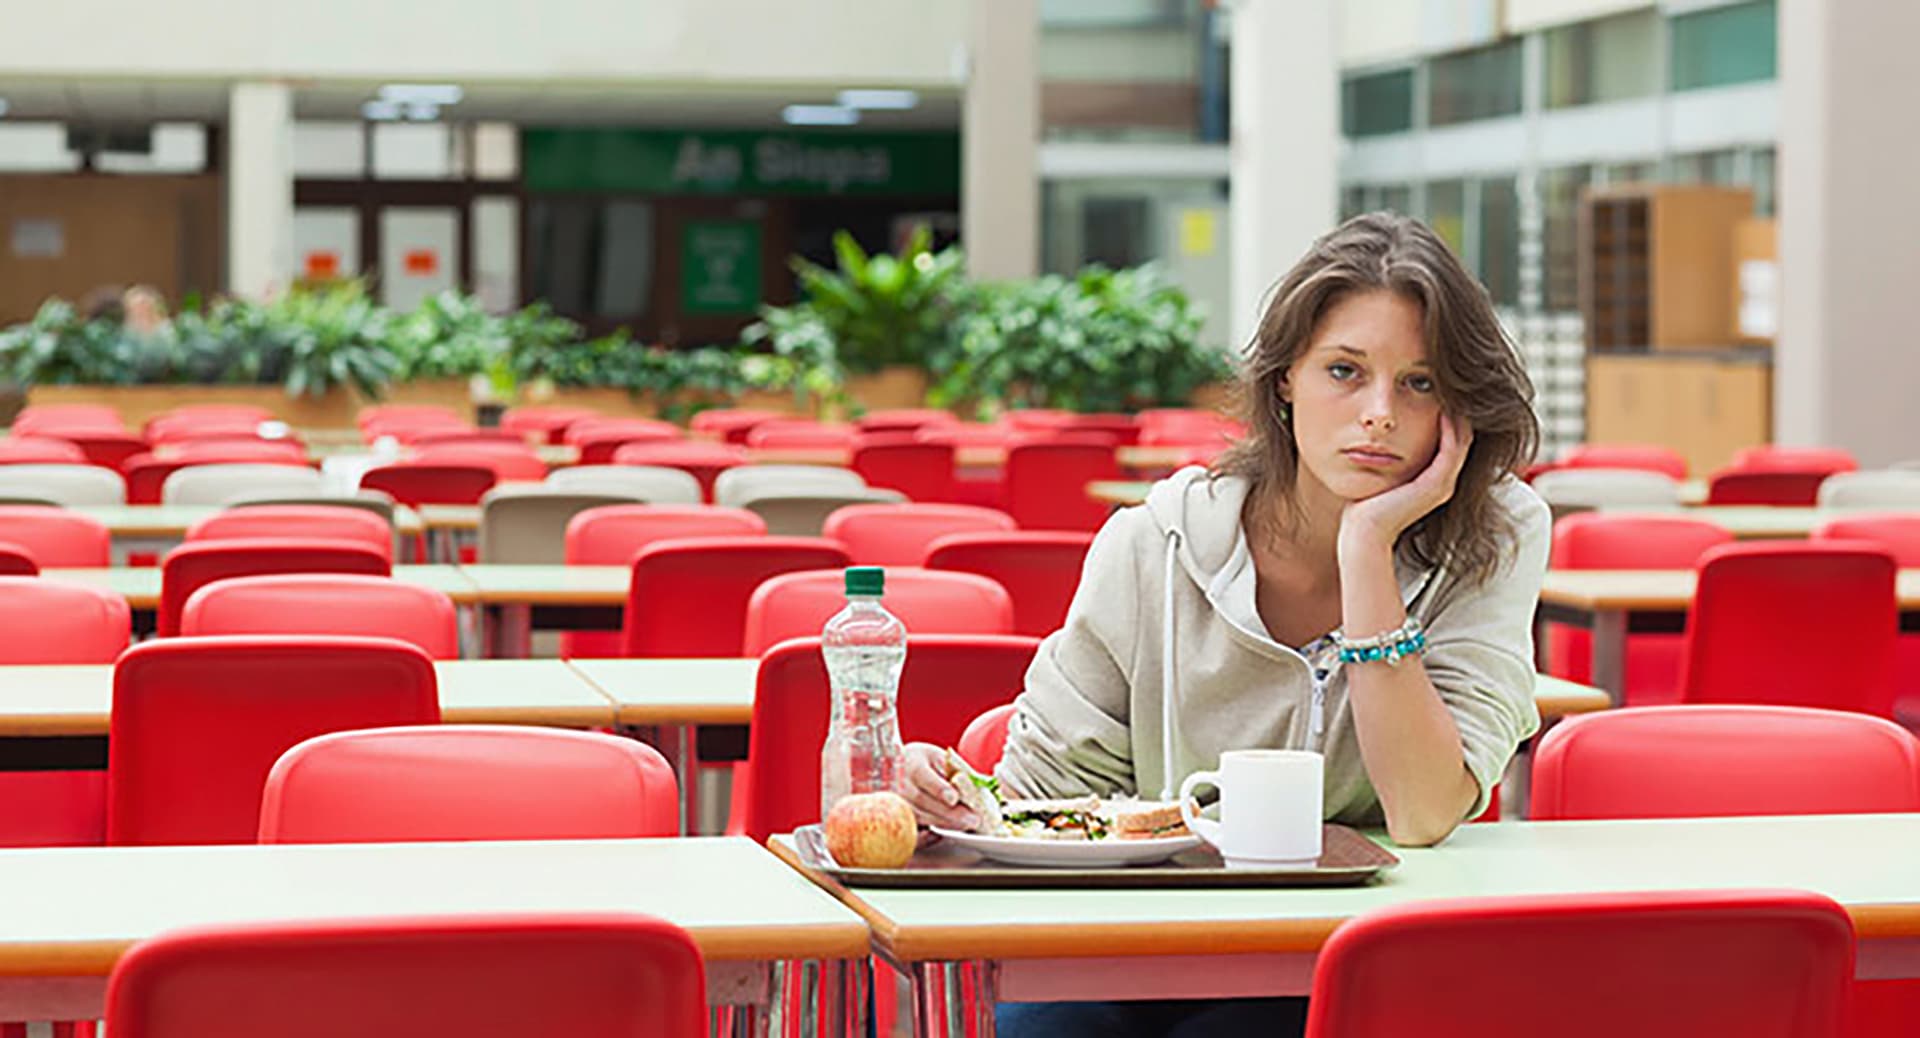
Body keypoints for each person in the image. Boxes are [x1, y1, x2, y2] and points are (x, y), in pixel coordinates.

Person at [899, 212, 1550, 1037]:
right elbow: (1040, 795)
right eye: (1345, 371)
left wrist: (1367, 551)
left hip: (1355, 953)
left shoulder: (1495, 536)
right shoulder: (1153, 542)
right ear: (1286, 380)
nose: (1380, 412)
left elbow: (1423, 811)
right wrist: (953, 797)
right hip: (1136, 949)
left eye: (1420, 383)